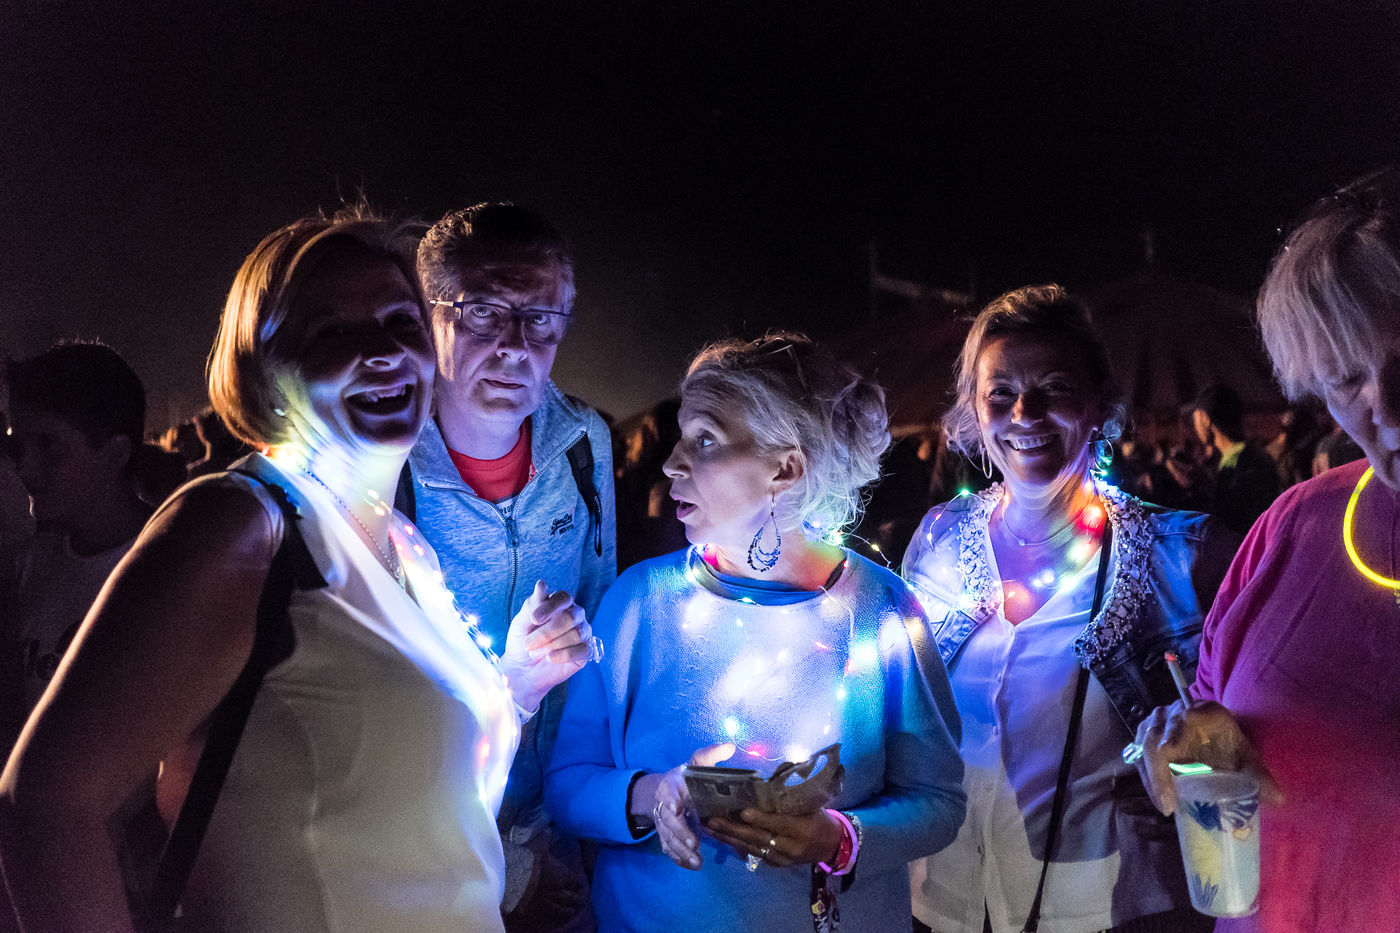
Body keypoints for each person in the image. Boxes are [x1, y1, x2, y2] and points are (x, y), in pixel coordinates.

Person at [0, 208, 595, 933]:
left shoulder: (405, 546)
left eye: (400, 323)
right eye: (333, 333)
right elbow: (47, 803)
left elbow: (426, 791)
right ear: (265, 369)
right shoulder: (240, 525)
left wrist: (517, 686)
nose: (383, 352)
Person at [546, 333, 966, 932]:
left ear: (786, 468)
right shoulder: (638, 601)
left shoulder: (883, 611)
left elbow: (939, 801)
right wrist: (654, 795)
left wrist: (839, 839)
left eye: (706, 440)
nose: (672, 463)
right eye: (681, 435)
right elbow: (568, 783)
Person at [902, 285, 1239, 933]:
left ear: (1099, 407)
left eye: (1053, 388)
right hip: (943, 901)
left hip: (1109, 907)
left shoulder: (1184, 555)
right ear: (975, 411)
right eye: (1000, 392)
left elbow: (1257, 723)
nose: (1023, 412)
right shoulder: (938, 539)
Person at [1133, 167, 1400, 931]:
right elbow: (1208, 737)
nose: (1388, 407)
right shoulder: (1290, 529)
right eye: (1345, 377)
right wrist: (1177, 747)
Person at [405, 202, 616, 931]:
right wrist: (506, 867)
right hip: (429, 840)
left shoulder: (583, 443)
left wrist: (584, 816)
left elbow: (598, 623)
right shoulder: (388, 465)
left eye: (542, 318)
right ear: (427, 315)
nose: (516, 347)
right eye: (485, 312)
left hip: (560, 825)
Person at [0, 343, 155, 752]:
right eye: (18, 445)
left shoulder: (169, 565)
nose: (24, 467)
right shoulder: (29, 565)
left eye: (49, 446)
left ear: (116, 452)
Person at [1183, 383, 1281, 535]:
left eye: (1195, 418)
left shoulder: (1238, 462)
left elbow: (1228, 517)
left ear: (1205, 418)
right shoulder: (1252, 454)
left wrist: (1195, 487)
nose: (1195, 427)